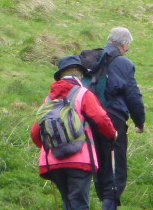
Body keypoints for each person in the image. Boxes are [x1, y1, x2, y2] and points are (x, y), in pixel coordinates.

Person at [31, 55, 117, 210]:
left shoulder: (49, 99)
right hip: (80, 160)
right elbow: (101, 119)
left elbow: (36, 133)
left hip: (53, 161)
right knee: (79, 205)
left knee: (69, 203)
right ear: (80, 75)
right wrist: (113, 134)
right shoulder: (83, 94)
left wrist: (51, 146)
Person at [90, 27, 146, 210]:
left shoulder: (94, 57)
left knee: (100, 167)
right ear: (125, 44)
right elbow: (133, 96)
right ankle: (110, 202)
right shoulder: (124, 63)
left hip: (90, 118)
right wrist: (140, 121)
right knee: (116, 174)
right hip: (113, 120)